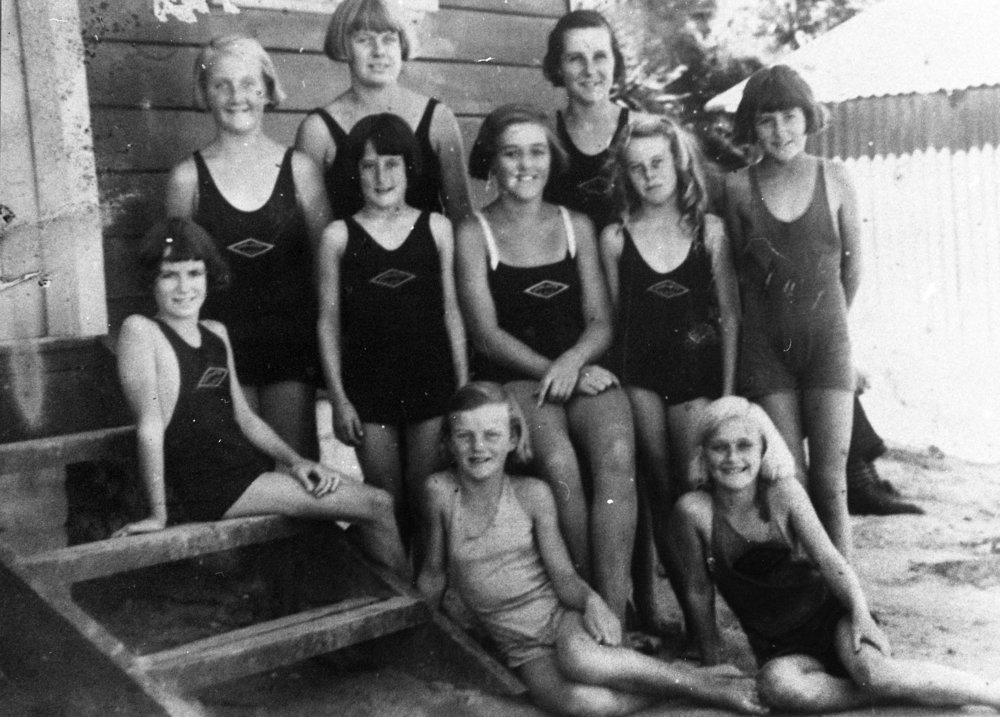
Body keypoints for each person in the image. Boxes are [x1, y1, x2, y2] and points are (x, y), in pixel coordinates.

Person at [418, 382, 766, 716]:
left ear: (512, 438)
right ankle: (693, 681)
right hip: (521, 648)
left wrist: (591, 602)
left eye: (491, 435)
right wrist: (422, 636)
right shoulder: (440, 493)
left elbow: (563, 576)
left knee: (581, 660)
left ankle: (710, 689)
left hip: (559, 618)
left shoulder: (532, 494)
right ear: (448, 442)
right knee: (583, 704)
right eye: (465, 436)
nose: (478, 447)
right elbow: (433, 573)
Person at [111, 218, 408, 580]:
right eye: (169, 275)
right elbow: (150, 427)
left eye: (194, 273)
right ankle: (415, 609)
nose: (184, 287)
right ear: (151, 281)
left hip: (246, 474)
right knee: (378, 504)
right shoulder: (141, 331)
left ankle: (384, 594)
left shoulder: (215, 333)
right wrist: (158, 515)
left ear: (209, 276)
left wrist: (296, 462)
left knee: (356, 521)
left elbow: (245, 418)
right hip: (215, 486)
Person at [670, 396, 1000, 713]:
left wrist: (860, 614)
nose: (733, 458)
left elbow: (829, 559)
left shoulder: (784, 492)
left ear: (764, 449)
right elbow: (699, 591)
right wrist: (712, 662)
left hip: (831, 619)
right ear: (703, 453)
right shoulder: (694, 512)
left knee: (877, 674)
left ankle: (989, 692)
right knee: (777, 687)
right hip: (781, 648)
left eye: (745, 445)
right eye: (719, 447)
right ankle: (883, 695)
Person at [456, 104, 637, 625]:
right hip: (516, 377)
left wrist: (573, 364)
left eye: (537, 152)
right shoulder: (474, 231)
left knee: (617, 453)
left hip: (580, 369)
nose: (525, 165)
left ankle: (615, 612)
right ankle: (584, 605)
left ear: (551, 159)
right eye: (511, 154)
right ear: (492, 161)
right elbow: (486, 334)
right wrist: (553, 371)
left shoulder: (576, 224)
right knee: (557, 462)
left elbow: (601, 320)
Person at [600, 116, 740, 638]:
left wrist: (728, 396)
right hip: (641, 378)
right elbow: (613, 322)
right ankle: (698, 628)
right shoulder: (616, 238)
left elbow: (731, 317)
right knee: (659, 493)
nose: (649, 175)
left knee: (695, 493)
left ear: (679, 163)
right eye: (637, 167)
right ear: (624, 175)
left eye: (658, 162)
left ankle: (717, 624)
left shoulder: (709, 231)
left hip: (695, 379)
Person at [165, 35, 330, 460]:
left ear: (267, 90)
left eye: (248, 84)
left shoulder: (301, 171)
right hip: (220, 351)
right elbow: (173, 278)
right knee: (241, 470)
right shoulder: (186, 179)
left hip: (289, 348)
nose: (236, 96)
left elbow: (327, 271)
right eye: (221, 85)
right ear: (205, 93)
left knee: (297, 468)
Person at [722, 65, 861, 558]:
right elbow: (738, 278)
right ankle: (802, 586)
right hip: (766, 351)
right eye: (766, 120)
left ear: (808, 117)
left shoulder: (836, 177)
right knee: (789, 478)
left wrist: (831, 327)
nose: (780, 131)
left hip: (827, 344)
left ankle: (847, 590)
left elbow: (852, 269)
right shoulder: (737, 188)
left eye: (790, 117)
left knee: (830, 481)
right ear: (751, 125)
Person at [316, 113, 467, 558]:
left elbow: (452, 312)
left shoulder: (437, 228)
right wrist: (339, 398)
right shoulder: (338, 236)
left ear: (409, 167)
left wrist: (461, 388)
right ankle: (395, 587)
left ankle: (428, 581)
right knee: (385, 495)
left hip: (430, 380)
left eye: (391, 164)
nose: (381, 177)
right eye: (369, 166)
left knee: (426, 491)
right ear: (355, 172)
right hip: (369, 386)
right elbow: (328, 321)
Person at [295, 0, 472, 222]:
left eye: (389, 39)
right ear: (344, 47)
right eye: (364, 40)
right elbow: (314, 231)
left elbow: (462, 220)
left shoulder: (438, 119)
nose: (378, 51)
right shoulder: (317, 130)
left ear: (402, 45)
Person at [542, 9, 632, 233]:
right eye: (575, 58)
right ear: (558, 67)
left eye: (600, 56)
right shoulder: (543, 135)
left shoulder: (640, 130)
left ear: (615, 62)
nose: (590, 70)